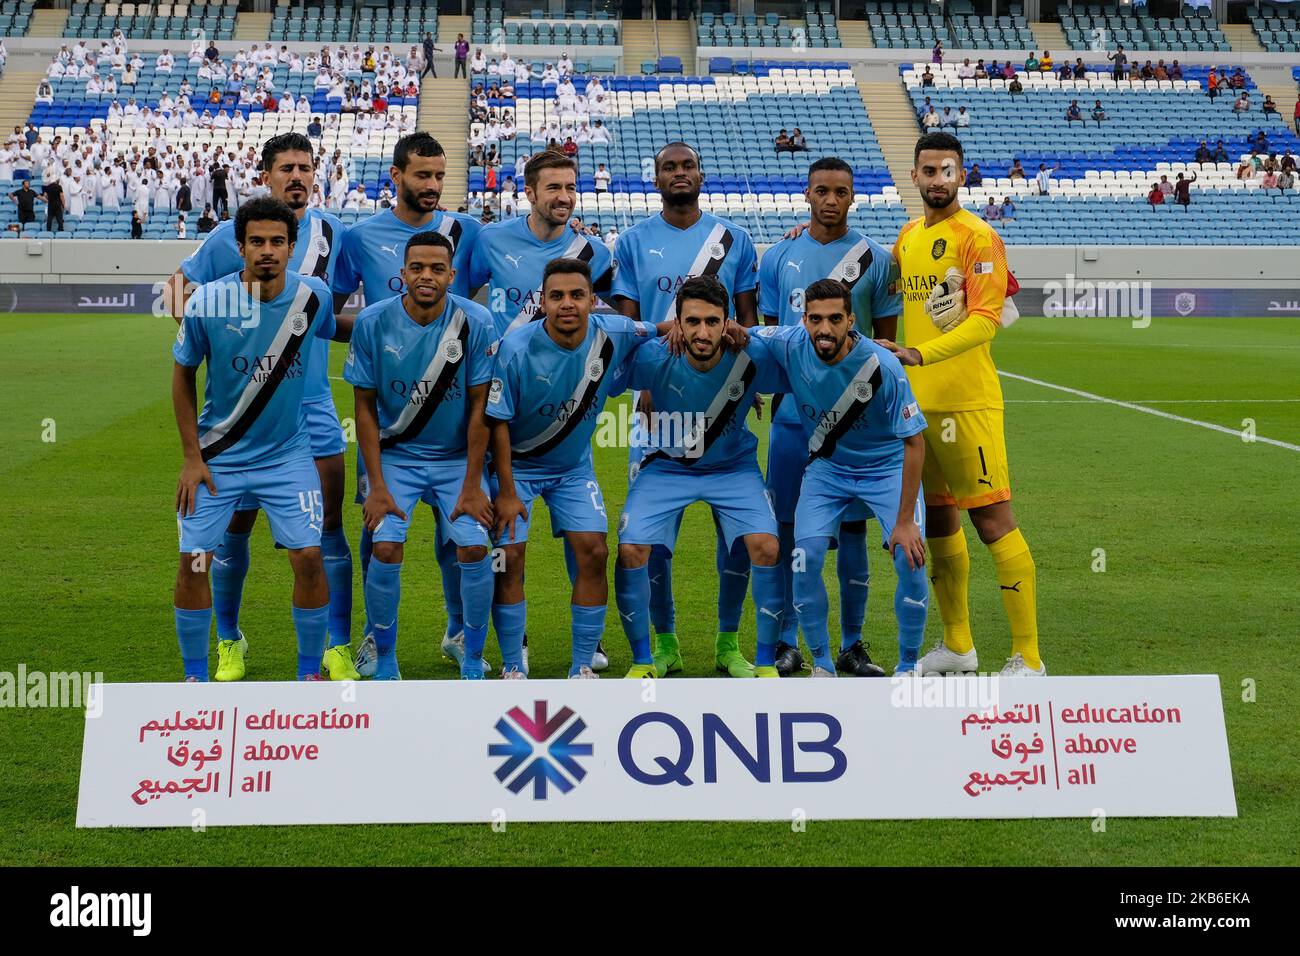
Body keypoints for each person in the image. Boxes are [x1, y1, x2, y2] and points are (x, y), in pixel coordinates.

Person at [165, 134, 356, 681]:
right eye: (286, 168)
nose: (297, 176)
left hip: (309, 403)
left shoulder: (331, 235)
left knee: (322, 535)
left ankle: (332, 650)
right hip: (233, 424)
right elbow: (177, 290)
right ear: (267, 174)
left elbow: (330, 317)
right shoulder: (232, 236)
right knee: (231, 534)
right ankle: (227, 641)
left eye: (305, 167)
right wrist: (224, 338)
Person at [876, 131, 1044, 677]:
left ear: (962, 175)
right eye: (928, 170)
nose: (937, 179)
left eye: (947, 170)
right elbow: (878, 282)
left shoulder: (980, 237)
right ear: (915, 175)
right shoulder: (906, 238)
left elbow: (985, 322)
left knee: (993, 520)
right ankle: (958, 647)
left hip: (968, 404)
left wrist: (918, 353)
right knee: (941, 523)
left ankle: (1029, 657)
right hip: (919, 411)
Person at [332, 132, 485, 676]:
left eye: (440, 176)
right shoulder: (360, 236)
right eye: (422, 176)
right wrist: (380, 335)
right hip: (391, 402)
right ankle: (376, 642)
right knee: (380, 535)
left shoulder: (466, 231)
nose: (433, 186)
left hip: (453, 408)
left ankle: (459, 633)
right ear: (396, 176)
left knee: (460, 539)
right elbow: (326, 312)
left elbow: (501, 288)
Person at [609, 142, 760, 678]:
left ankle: (727, 643)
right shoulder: (631, 242)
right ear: (656, 178)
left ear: (701, 173)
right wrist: (643, 379)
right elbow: (628, 327)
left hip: (724, 399)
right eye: (669, 167)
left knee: (738, 532)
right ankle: (665, 641)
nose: (680, 174)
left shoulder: (734, 239)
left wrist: (753, 380)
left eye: (687, 165)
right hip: (657, 404)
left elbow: (748, 320)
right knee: (651, 536)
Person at [487, 258, 670, 678]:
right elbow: (496, 422)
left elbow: (660, 329)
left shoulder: (616, 331)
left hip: (572, 470)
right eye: (556, 296)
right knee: (508, 557)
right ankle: (513, 665)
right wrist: (508, 492)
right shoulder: (516, 348)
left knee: (594, 549)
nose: (566, 304)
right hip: (517, 469)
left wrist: (732, 332)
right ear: (542, 301)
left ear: (592, 300)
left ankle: (582, 666)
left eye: (576, 295)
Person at [757, 157, 901, 677]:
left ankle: (854, 644)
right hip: (794, 422)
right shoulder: (777, 256)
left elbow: (885, 339)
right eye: (822, 190)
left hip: (857, 428)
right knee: (790, 533)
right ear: (807, 194)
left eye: (841, 191)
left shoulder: (877, 259)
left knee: (855, 535)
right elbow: (774, 342)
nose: (831, 200)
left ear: (853, 196)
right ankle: (787, 640)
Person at [754, 280, 929, 677]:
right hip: (827, 469)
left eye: (835, 319)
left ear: (852, 321)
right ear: (804, 320)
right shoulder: (790, 342)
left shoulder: (884, 367)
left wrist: (903, 523)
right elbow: (739, 333)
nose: (825, 329)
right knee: (803, 559)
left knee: (910, 557)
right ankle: (822, 665)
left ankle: (906, 667)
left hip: (886, 468)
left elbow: (915, 444)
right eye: (815, 319)